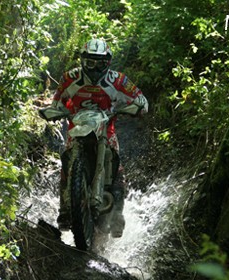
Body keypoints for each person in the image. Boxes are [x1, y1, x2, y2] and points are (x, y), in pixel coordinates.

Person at [51, 38, 148, 238]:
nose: (95, 67)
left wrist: (135, 107)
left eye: (101, 62)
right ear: (83, 60)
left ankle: (118, 216)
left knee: (117, 167)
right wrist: (57, 111)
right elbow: (57, 99)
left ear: (108, 62)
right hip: (78, 127)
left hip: (106, 129)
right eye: (90, 62)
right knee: (67, 160)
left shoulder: (118, 80)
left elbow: (140, 99)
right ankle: (64, 211)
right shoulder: (70, 78)